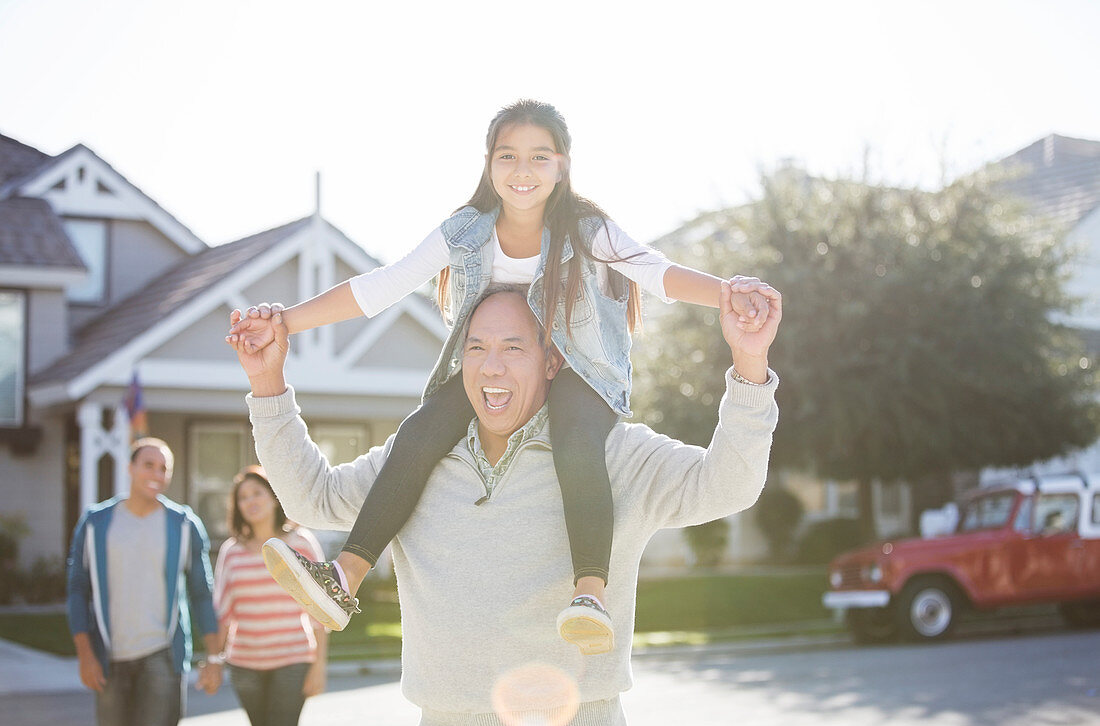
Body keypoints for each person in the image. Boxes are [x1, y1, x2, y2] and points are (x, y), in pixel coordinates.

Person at [228, 99, 770, 655]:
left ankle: (589, 594)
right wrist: (283, 323)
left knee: (577, 441)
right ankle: (343, 576)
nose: (523, 170)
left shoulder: (587, 229)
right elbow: (380, 287)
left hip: (579, 368)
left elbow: (658, 273)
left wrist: (729, 294)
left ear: (562, 165)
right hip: (498, 369)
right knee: (418, 434)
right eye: (507, 155)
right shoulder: (466, 232)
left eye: (540, 156)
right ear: (489, 164)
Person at [232, 279, 781, 726]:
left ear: (551, 361)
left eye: (513, 347)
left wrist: (749, 362)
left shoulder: (612, 454)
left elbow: (729, 484)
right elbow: (314, 497)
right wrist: (267, 382)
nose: (491, 367)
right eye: (477, 347)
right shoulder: (415, 462)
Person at [66, 437, 222, 726]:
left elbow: (202, 594)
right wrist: (86, 655)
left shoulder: (184, 524)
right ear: (130, 467)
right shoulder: (94, 524)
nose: (156, 475)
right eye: (148, 465)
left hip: (161, 658)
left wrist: (214, 657)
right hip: (110, 656)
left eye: (164, 468)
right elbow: (77, 590)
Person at [213, 465, 329, 726]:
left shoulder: (300, 544)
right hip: (244, 664)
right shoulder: (231, 552)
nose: (250, 501)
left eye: (257, 493)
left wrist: (319, 666)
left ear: (274, 497)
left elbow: (320, 609)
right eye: (243, 497)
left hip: (293, 659)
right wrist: (215, 660)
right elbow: (223, 612)